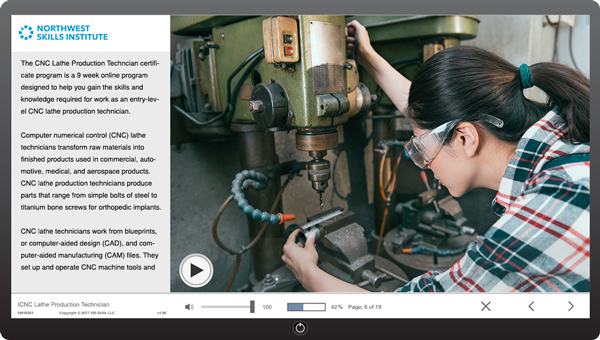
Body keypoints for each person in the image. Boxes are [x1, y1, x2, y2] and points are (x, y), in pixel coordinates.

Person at [281, 20, 590, 292]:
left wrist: (307, 273)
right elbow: (433, 118)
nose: (424, 162)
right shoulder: (568, 135)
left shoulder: (547, 214)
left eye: (421, 146)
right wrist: (368, 56)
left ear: (466, 138)